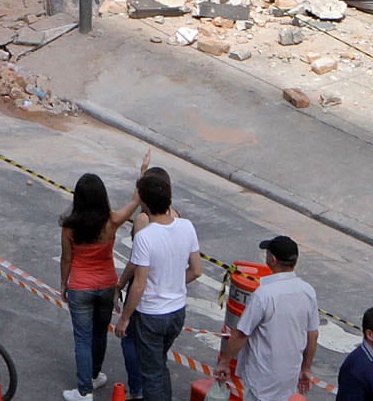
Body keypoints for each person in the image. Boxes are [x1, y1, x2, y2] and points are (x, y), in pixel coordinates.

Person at [113, 169, 201, 401]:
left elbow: (139, 284)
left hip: (151, 315)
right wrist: (172, 282)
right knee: (159, 366)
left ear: (145, 204)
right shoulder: (186, 226)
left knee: (151, 374)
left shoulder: (146, 237)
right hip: (176, 312)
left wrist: (124, 318)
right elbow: (196, 270)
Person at [216, 237, 320, 401]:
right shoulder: (308, 291)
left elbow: (241, 334)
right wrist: (306, 368)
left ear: (272, 259)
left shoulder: (264, 295)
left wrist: (224, 363)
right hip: (289, 377)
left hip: (262, 379)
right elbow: (312, 334)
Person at [61, 174, 134, 401]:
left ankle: (84, 391)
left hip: (80, 287)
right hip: (107, 285)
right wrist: (143, 172)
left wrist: (64, 283)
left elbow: (66, 259)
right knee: (100, 332)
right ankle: (94, 375)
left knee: (82, 338)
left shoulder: (70, 227)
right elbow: (135, 202)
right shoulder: (111, 221)